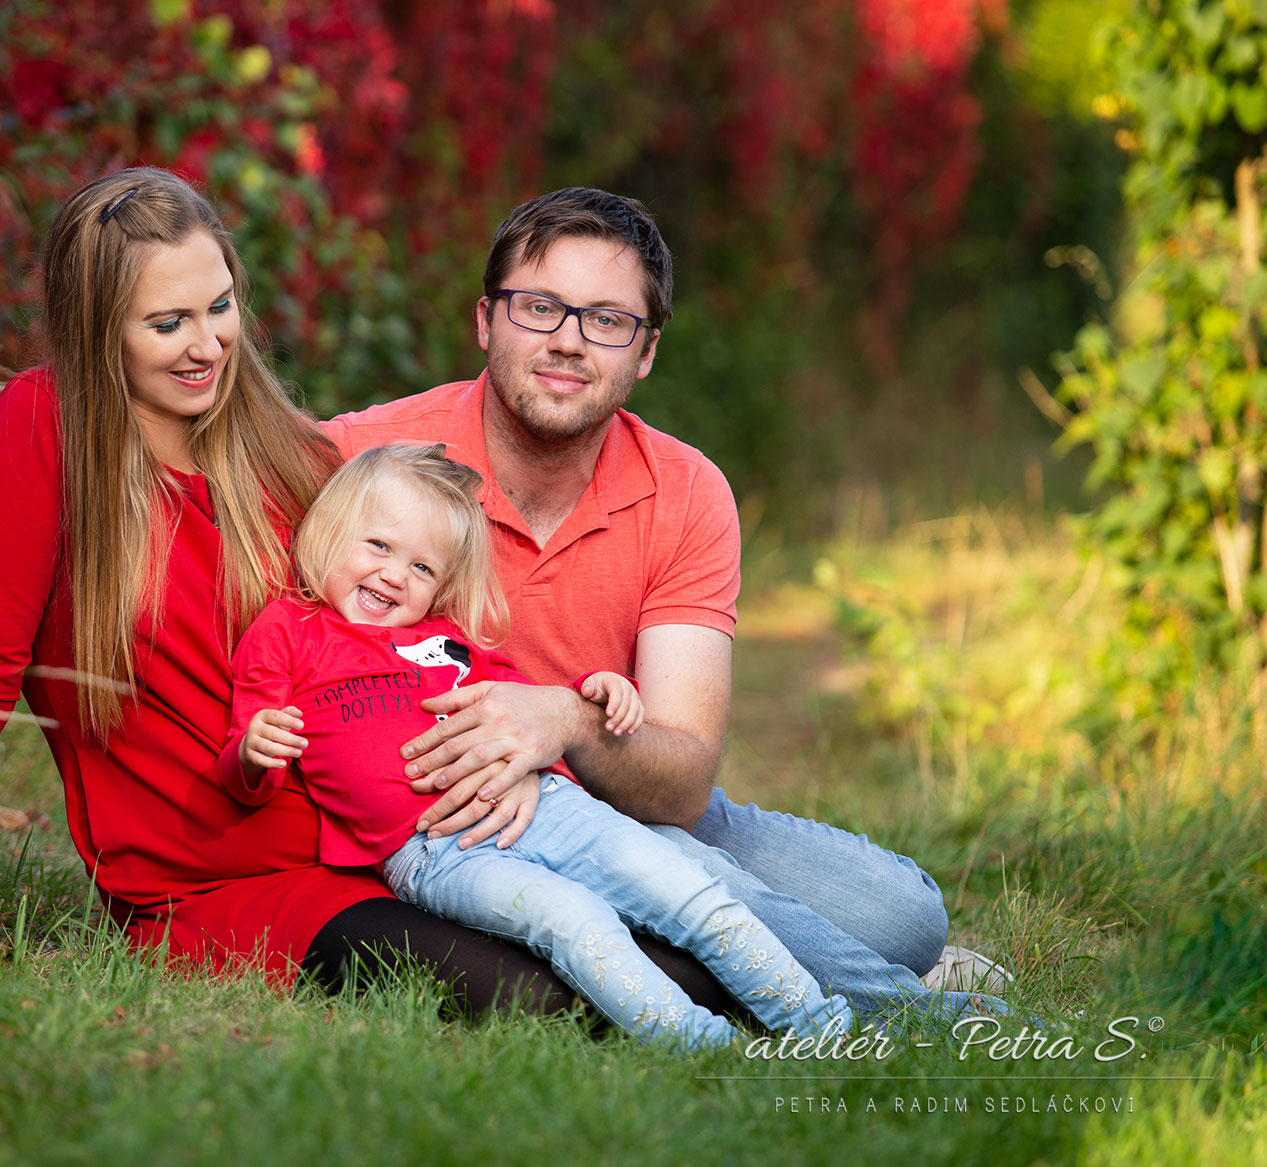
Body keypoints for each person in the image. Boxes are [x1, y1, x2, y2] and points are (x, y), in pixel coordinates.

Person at [0, 167, 745, 1019]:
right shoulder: (41, 433)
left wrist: (534, 736)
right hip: (220, 878)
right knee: (547, 992)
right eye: (166, 323)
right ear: (97, 328)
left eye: (219, 307)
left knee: (682, 944)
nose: (205, 344)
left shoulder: (284, 453)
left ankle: (805, 977)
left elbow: (409, 627)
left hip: (383, 827)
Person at [321, 186, 1008, 1016]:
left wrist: (566, 720)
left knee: (905, 917)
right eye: (538, 307)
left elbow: (680, 778)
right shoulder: (364, 457)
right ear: (485, 320)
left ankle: (825, 950)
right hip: (446, 822)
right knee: (702, 882)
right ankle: (899, 1007)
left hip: (622, 793)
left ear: (644, 352)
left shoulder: (684, 491)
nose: (568, 340)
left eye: (607, 320)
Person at [216, 442, 855, 1049]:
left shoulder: (444, 640)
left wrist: (598, 691)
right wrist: (253, 751)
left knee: (684, 890)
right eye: (379, 545)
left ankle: (820, 1025)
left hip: (547, 807)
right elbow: (246, 762)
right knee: (570, 920)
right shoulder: (286, 631)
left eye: (422, 567)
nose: (394, 575)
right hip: (435, 852)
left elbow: (530, 710)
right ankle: (700, 1046)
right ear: (329, 533)